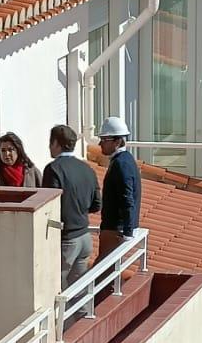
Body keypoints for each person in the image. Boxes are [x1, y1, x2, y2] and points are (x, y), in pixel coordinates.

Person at [44, 124, 100, 285]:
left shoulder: (53, 169)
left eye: (50, 142)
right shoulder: (87, 169)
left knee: (54, 285)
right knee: (79, 289)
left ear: (56, 143)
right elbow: (97, 204)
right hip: (85, 237)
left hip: (66, 239)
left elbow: (49, 207)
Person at [96, 114, 142, 259]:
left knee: (103, 270)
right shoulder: (124, 160)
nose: (100, 143)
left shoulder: (121, 164)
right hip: (116, 230)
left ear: (117, 141)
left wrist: (127, 232)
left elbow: (127, 199)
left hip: (116, 231)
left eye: (105, 140)